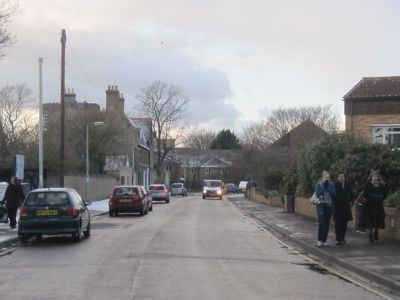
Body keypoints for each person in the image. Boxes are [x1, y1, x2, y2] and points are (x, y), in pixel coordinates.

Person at [361, 170, 387, 243]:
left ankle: (376, 232)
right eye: (373, 176)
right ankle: (370, 234)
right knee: (370, 221)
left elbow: (385, 194)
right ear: (371, 177)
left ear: (378, 177)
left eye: (376, 176)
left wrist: (380, 197)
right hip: (369, 206)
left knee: (378, 220)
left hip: (379, 206)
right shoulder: (368, 184)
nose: (375, 178)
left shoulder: (382, 185)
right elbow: (366, 194)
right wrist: (374, 196)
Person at [315, 171, 336, 247]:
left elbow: (334, 194)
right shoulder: (318, 184)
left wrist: (328, 188)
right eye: (325, 177)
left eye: (328, 177)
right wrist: (324, 187)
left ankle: (324, 240)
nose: (327, 179)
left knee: (327, 224)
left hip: (329, 206)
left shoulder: (331, 184)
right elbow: (317, 194)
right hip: (321, 206)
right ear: (322, 177)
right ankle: (319, 239)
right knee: (321, 223)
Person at [333, 172, 355, 245]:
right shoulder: (335, 185)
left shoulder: (348, 184)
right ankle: (337, 239)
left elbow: (352, 194)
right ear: (338, 178)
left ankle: (342, 238)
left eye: (342, 176)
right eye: (340, 176)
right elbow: (332, 195)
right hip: (337, 207)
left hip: (345, 207)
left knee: (344, 224)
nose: (341, 178)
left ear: (344, 177)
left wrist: (351, 201)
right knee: (338, 224)